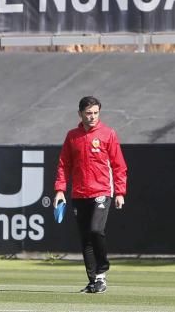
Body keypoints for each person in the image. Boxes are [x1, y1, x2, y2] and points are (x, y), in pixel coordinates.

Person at [53, 95, 128, 294]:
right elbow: (64, 165)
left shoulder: (108, 134)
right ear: (80, 114)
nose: (92, 117)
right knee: (85, 238)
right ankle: (93, 281)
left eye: (95, 113)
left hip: (102, 191)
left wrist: (120, 192)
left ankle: (102, 273)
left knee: (96, 230)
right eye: (88, 113)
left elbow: (119, 166)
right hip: (79, 193)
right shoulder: (72, 136)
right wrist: (60, 190)